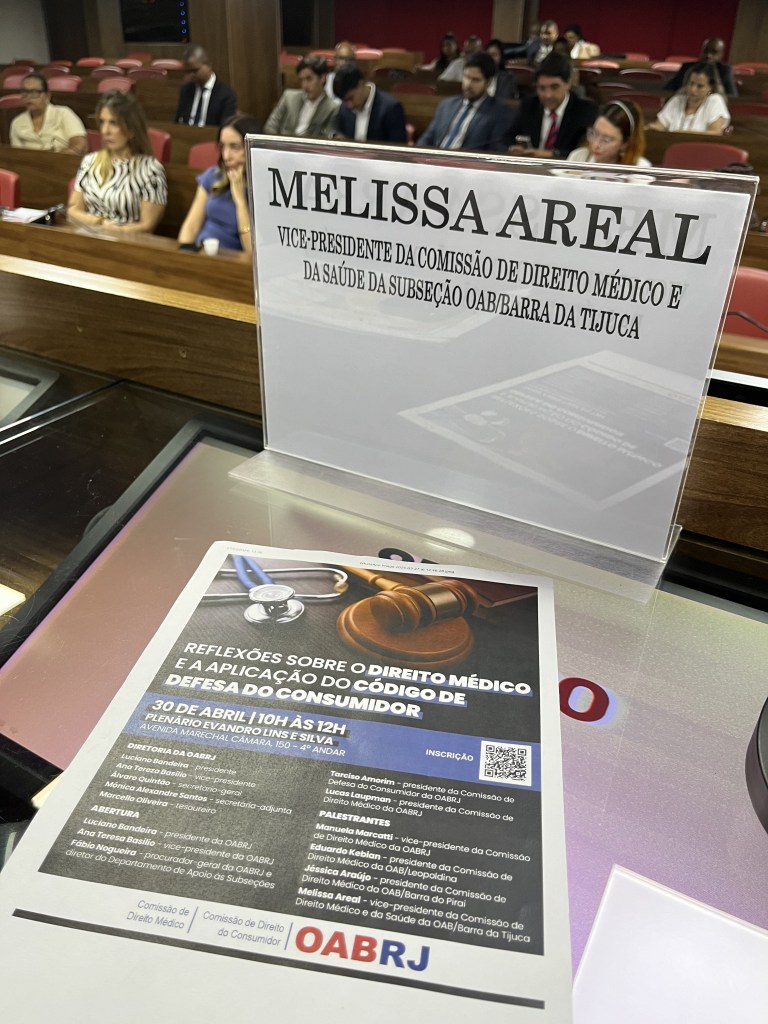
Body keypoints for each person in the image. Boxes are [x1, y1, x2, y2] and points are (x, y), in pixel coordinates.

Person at [67, 89, 167, 234]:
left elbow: (147, 226)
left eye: (113, 123)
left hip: (127, 241)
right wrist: (101, 222)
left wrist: (116, 231)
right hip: (88, 236)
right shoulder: (90, 161)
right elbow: (72, 211)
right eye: (102, 122)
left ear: (131, 129)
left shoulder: (150, 169)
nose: (105, 130)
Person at [177, 115, 261, 253]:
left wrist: (240, 201)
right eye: (222, 147)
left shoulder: (264, 190)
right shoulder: (213, 176)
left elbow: (251, 251)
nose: (226, 156)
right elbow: (191, 226)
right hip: (201, 252)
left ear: (253, 148)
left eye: (235, 147)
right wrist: (183, 254)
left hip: (232, 260)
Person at [418, 52, 513, 152]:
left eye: (475, 80)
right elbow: (427, 138)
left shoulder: (500, 113)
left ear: (488, 83)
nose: (468, 84)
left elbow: (495, 151)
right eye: (466, 77)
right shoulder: (446, 105)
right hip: (436, 158)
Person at [508, 53, 598, 158]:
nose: (548, 95)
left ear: (568, 84)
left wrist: (553, 155)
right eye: (542, 88)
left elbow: (586, 151)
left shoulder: (585, 110)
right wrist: (513, 148)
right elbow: (506, 138)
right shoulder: (529, 105)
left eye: (554, 87)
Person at [9, 72, 86, 155]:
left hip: (63, 160)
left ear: (47, 96)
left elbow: (80, 146)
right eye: (25, 92)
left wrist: (55, 159)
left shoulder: (63, 113)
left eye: (35, 92)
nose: (29, 97)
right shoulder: (17, 122)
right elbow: (17, 155)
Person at [265, 55, 338, 138]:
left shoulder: (333, 108)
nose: (304, 85)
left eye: (309, 79)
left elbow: (326, 138)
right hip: (281, 143)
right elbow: (270, 127)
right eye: (301, 80)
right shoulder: (289, 97)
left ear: (323, 78)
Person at [333, 64, 407, 143]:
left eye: (350, 98)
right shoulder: (344, 108)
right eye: (344, 101)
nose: (349, 105)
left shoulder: (391, 108)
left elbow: (397, 147)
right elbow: (338, 132)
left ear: (361, 84)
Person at [649, 62, 730, 134]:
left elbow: (715, 133)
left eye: (700, 86)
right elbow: (658, 126)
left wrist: (682, 133)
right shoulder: (677, 100)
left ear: (710, 87)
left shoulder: (715, 101)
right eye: (691, 84)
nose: (693, 89)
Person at [568, 100, 651, 166]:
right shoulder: (578, 157)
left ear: (625, 143)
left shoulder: (640, 168)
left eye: (606, 139)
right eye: (594, 133)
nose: (596, 145)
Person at [175, 45, 237, 126]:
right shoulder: (186, 90)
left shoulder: (226, 95)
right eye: (188, 72)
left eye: (195, 70)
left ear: (208, 65)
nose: (191, 75)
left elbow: (225, 128)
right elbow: (178, 121)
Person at [663, 38, 737, 98]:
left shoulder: (725, 70)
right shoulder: (687, 67)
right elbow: (667, 89)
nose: (708, 55)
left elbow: (732, 95)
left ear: (721, 54)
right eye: (706, 51)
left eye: (714, 52)